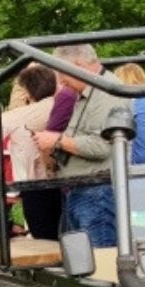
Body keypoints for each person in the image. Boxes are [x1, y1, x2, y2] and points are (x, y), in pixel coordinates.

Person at [33, 44, 129, 247]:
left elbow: (102, 146)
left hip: (98, 192)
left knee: (100, 264)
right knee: (82, 263)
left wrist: (56, 140)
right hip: (83, 190)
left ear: (77, 65)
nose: (60, 80)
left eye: (61, 72)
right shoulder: (89, 93)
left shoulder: (107, 93)